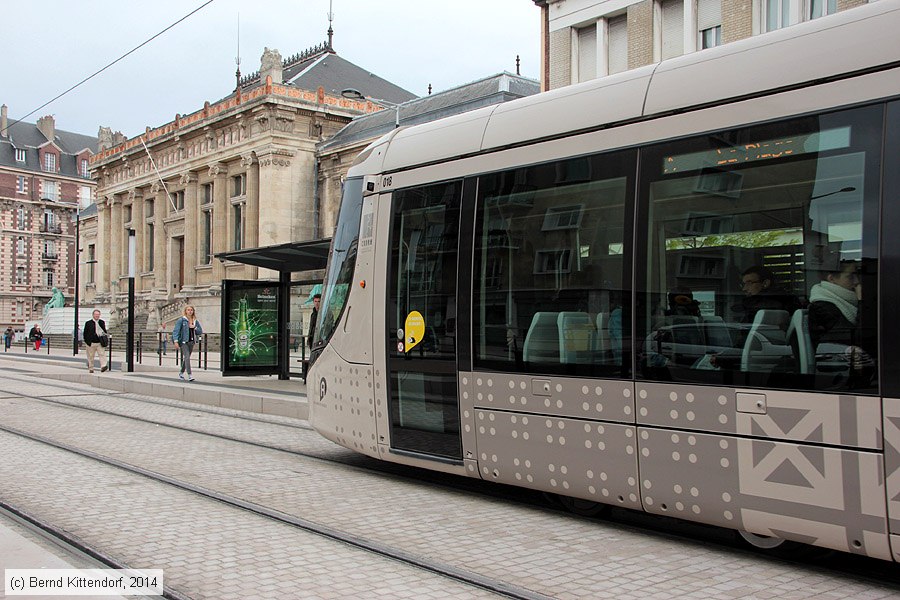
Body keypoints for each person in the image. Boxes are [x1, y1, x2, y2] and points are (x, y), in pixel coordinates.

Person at [808, 260, 862, 349]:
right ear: (832, 279)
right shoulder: (823, 307)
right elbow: (855, 340)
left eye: (856, 275)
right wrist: (861, 302)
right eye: (850, 276)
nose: (856, 281)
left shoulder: (845, 302)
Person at [738, 266, 802, 323]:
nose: (744, 288)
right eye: (743, 284)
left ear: (765, 283)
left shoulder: (764, 304)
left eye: (749, 283)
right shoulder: (789, 298)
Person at [173, 305, 203, 382]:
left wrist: (194, 327)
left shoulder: (195, 321)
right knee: (187, 357)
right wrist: (175, 341)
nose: (190, 311)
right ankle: (190, 375)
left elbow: (200, 331)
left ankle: (181, 372)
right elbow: (176, 331)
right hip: (184, 342)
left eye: (191, 310)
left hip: (192, 342)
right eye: (188, 310)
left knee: (186, 358)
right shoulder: (182, 320)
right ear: (185, 311)